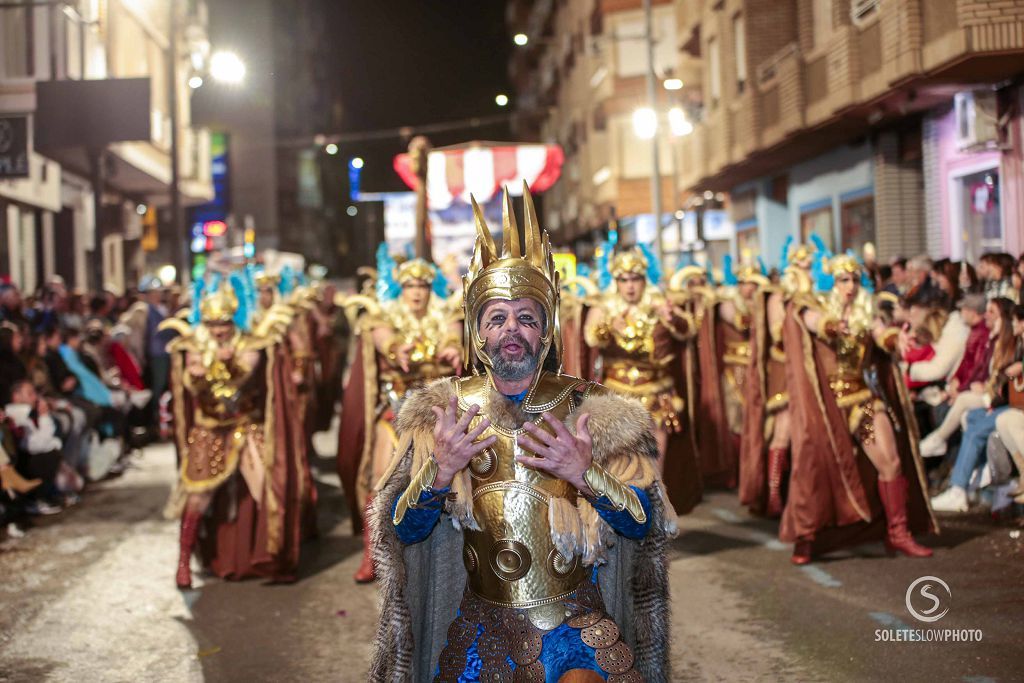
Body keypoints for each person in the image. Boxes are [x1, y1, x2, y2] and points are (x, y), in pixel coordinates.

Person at [368, 187, 673, 682]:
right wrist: (440, 471)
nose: (512, 329)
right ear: (478, 334)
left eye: (526, 318)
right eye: (497, 318)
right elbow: (402, 532)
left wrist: (585, 473)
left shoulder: (589, 410)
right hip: (483, 625)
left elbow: (643, 523)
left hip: (574, 623)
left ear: (545, 333)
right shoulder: (444, 413)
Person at [782, 253, 934, 564]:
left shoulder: (868, 312)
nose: (850, 286)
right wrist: (828, 324)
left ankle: (898, 533)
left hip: (860, 397)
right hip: (824, 405)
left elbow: (882, 334)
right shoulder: (818, 308)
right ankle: (809, 536)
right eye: (842, 280)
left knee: (890, 461)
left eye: (854, 279)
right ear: (831, 283)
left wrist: (896, 341)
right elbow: (809, 319)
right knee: (815, 468)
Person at [164, 277, 315, 588]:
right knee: (197, 497)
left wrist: (226, 364)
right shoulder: (193, 345)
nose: (218, 329)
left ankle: (275, 555)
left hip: (246, 426)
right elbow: (192, 383)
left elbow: (244, 375)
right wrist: (198, 375)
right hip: (210, 430)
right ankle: (183, 562)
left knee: (268, 487)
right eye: (211, 323)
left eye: (223, 322)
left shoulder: (249, 342)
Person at [338, 250, 462, 583]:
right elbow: (383, 339)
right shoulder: (384, 314)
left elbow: (453, 334)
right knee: (379, 479)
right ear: (400, 288)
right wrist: (396, 349)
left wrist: (454, 347)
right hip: (396, 412)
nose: (417, 291)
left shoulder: (445, 312)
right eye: (410, 285)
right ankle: (372, 554)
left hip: (438, 414)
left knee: (449, 484)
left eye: (423, 284)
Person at [582, 246, 695, 489]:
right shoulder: (604, 309)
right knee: (619, 466)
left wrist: (671, 316)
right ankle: (624, 521)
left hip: (656, 394)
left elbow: (688, 331)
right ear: (616, 282)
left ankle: (656, 522)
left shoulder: (659, 305)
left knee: (655, 465)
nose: (630, 286)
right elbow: (591, 338)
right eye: (624, 280)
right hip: (617, 395)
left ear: (644, 280)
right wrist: (609, 325)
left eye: (635, 279)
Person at [931, 298, 1023, 512]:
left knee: (985, 423)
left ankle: (964, 485)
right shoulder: (999, 341)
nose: (987, 315)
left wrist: (993, 395)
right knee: (972, 417)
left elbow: (1001, 381)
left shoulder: (1008, 343)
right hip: (1004, 401)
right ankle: (974, 479)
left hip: (1008, 404)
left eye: (993, 312)